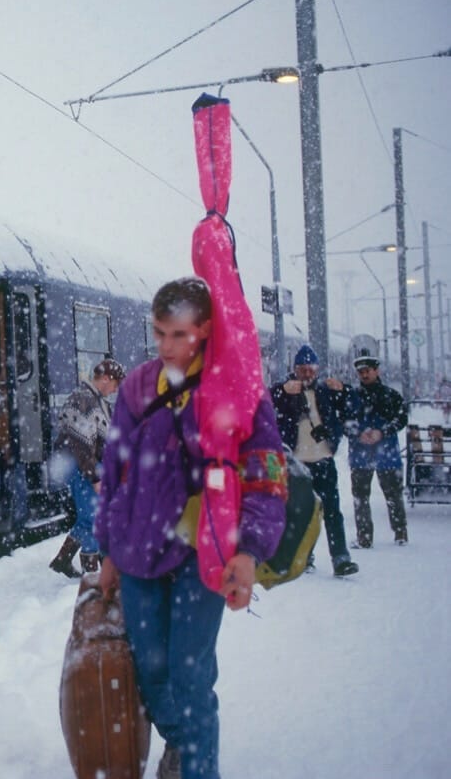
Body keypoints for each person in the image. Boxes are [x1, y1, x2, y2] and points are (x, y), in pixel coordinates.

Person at [95, 277, 287, 779]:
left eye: (177, 334)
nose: (165, 346)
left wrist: (248, 549)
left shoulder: (239, 390)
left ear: (203, 329)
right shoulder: (138, 386)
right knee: (152, 671)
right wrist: (108, 549)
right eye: (158, 333)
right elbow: (113, 469)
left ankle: (200, 768)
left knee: (190, 673)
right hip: (138, 550)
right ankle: (180, 743)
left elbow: (265, 475)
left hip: (203, 553)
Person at [270, 345, 359, 576]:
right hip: (296, 463)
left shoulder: (326, 391)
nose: (307, 374)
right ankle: (302, 557)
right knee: (298, 512)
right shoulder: (286, 391)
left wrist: (345, 389)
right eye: (302, 369)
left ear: (317, 370)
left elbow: (354, 409)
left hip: (323, 459)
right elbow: (265, 403)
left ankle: (340, 558)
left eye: (311, 370)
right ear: (295, 369)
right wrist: (281, 390)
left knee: (332, 510)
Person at [49, 358, 126, 577]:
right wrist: (95, 477)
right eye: (115, 385)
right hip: (82, 467)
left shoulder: (97, 400)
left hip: (88, 465)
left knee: (87, 516)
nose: (115, 390)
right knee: (95, 518)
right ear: (105, 379)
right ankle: (91, 571)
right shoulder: (82, 400)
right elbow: (82, 446)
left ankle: (63, 560)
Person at [344, 351, 409, 546]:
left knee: (390, 495)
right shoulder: (356, 396)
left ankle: (398, 533)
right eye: (361, 371)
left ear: (376, 370)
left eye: (367, 371)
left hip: (370, 453)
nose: (364, 375)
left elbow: (401, 419)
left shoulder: (388, 396)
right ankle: (367, 536)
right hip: (379, 453)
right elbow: (344, 422)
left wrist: (380, 431)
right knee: (363, 496)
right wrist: (360, 433)